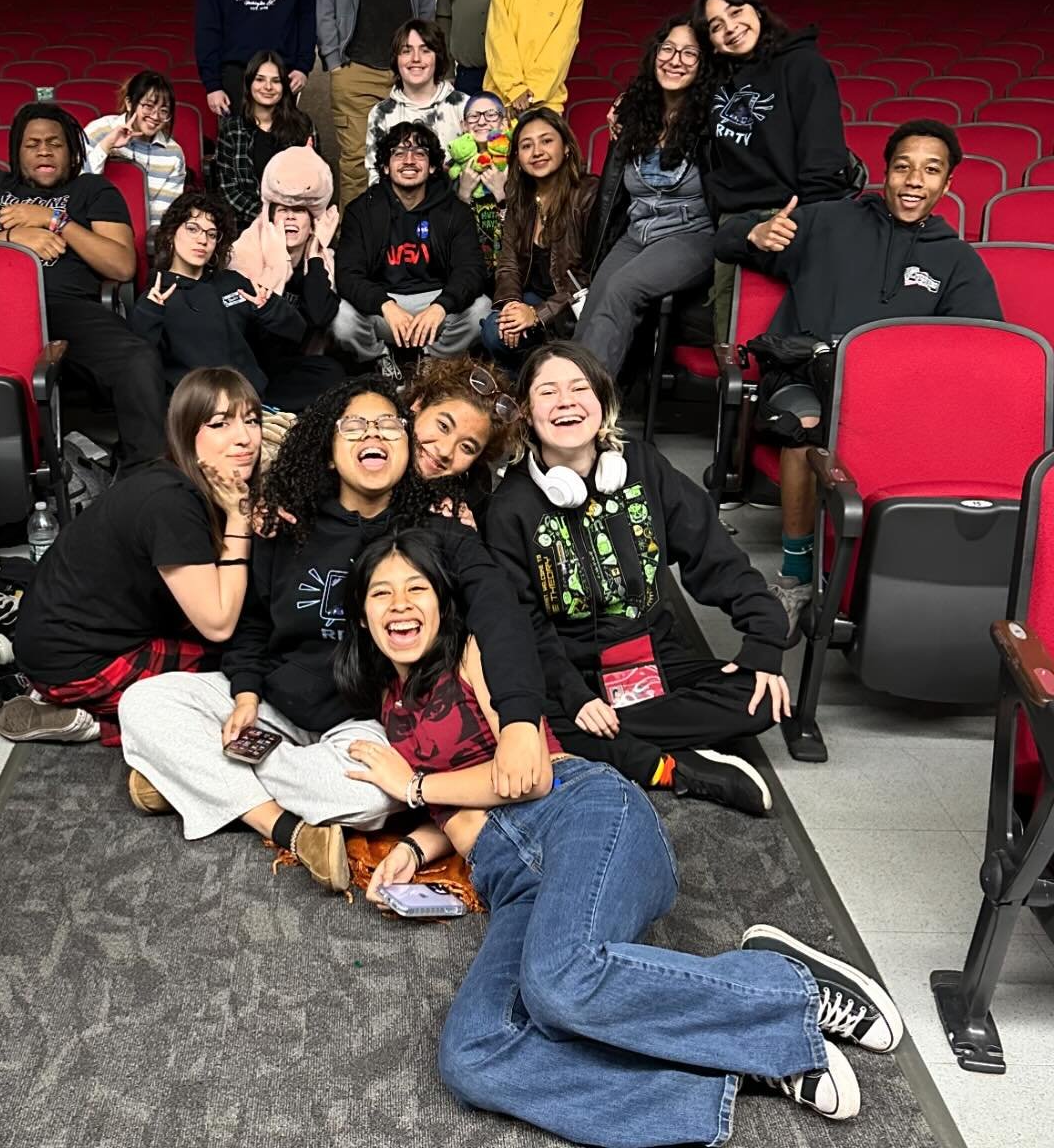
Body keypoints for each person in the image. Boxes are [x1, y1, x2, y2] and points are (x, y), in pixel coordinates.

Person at [334, 529, 905, 1146]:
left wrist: (415, 785)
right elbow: (460, 800)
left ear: (442, 601)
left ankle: (791, 993)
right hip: (511, 880)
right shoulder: (390, 704)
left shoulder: (476, 653)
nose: (400, 603)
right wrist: (417, 846)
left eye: (416, 588)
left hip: (581, 813)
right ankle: (733, 1065)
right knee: (473, 1054)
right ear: (363, 618)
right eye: (381, 592)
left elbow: (524, 778)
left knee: (560, 982)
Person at [121, 378, 551, 891]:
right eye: (356, 426)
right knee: (143, 703)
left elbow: (499, 611)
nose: (375, 433)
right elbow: (253, 622)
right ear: (328, 451)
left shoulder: (438, 533)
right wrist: (245, 694)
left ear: (407, 444)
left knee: (376, 799)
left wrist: (522, 721)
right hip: (272, 704)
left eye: (389, 425)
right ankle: (282, 824)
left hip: (361, 725)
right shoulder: (286, 521)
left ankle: (195, 778)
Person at [714, 119, 1003, 637]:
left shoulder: (958, 261)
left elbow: (979, 350)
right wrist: (753, 231)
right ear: (886, 174)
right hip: (806, 373)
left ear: (948, 184)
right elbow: (728, 237)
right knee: (806, 428)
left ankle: (893, 582)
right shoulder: (827, 223)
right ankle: (797, 576)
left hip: (896, 396)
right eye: (903, 167)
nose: (914, 180)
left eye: (930, 171)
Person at [486, 341, 792, 815]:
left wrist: (764, 635)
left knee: (760, 699)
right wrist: (574, 695)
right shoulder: (510, 507)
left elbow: (715, 555)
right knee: (528, 719)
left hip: (656, 656)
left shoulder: (644, 466)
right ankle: (671, 764)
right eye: (548, 392)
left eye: (579, 388)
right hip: (572, 673)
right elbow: (524, 621)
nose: (565, 401)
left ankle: (605, 742)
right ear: (526, 414)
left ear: (602, 403)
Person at [0, 367, 261, 745]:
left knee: (241, 656)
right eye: (220, 424)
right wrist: (240, 518)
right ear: (187, 433)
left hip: (74, 636)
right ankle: (85, 718)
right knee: (230, 683)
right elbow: (218, 623)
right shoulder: (171, 503)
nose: (244, 439)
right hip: (76, 663)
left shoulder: (186, 477)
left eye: (251, 421)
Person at [0, 101, 166, 467]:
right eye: (32, 144)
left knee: (138, 359)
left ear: (72, 151)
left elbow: (122, 265)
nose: (44, 150)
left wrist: (55, 220)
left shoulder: (93, 190)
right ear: (17, 152)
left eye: (55, 143)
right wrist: (15, 238)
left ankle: (148, 477)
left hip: (65, 308)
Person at [692, 0, 852, 338]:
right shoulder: (713, 82)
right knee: (731, 345)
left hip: (795, 214)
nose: (731, 28)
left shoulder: (803, 66)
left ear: (757, 11)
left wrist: (805, 227)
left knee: (806, 342)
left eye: (736, 13)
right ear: (712, 44)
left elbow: (824, 159)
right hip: (737, 224)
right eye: (717, 26)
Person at [577, 16, 716, 377]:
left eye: (690, 53)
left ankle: (589, 407)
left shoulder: (714, 119)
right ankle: (565, 397)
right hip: (638, 232)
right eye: (668, 49)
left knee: (623, 288)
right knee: (595, 301)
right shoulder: (635, 113)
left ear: (704, 64)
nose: (675, 60)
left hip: (691, 234)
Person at [312, 0, 436, 209]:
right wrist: (334, 62)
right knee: (355, 161)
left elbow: (425, 3)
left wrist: (422, 59)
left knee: (408, 158)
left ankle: (400, 231)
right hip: (355, 70)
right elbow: (322, 6)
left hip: (405, 73)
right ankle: (355, 236)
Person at [331, 121, 490, 370]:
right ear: (385, 166)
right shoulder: (361, 211)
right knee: (341, 317)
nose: (409, 160)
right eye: (398, 153)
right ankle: (381, 359)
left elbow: (471, 271)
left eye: (419, 153)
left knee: (481, 310)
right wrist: (385, 305)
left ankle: (432, 361)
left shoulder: (455, 211)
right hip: (384, 306)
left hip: (436, 304)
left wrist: (441, 305)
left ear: (433, 166)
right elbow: (348, 274)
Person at [129, 190, 307, 406]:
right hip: (199, 405)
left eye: (212, 234)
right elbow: (137, 369)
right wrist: (151, 313)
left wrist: (268, 308)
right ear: (170, 235)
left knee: (326, 371)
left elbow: (297, 332)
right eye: (192, 229)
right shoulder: (157, 295)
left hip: (250, 395)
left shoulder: (232, 282)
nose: (202, 240)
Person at [228, 143, 345, 411]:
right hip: (247, 363)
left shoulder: (322, 260)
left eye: (300, 211)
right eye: (282, 209)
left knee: (334, 374)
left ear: (312, 220)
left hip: (287, 368)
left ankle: (265, 407)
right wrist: (278, 265)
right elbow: (249, 325)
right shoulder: (248, 251)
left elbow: (319, 315)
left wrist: (315, 256)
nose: (291, 216)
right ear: (270, 216)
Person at [482, 108, 596, 367]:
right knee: (495, 329)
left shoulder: (589, 196)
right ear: (518, 158)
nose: (537, 152)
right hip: (533, 299)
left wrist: (538, 314)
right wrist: (512, 307)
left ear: (566, 147)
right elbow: (508, 263)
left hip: (572, 307)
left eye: (547, 141)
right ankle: (520, 395)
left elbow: (593, 275)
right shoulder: (520, 200)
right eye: (526, 145)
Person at [402, 355, 520, 528]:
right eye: (443, 426)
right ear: (419, 404)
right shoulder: (370, 446)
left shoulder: (473, 493)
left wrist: (464, 536)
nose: (445, 451)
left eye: (467, 447)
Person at [211, 50, 317, 230]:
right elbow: (228, 191)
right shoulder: (232, 129)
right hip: (245, 225)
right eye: (260, 79)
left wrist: (286, 216)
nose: (268, 87)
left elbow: (314, 185)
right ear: (249, 83)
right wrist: (268, 216)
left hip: (293, 225)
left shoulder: (302, 125)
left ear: (284, 86)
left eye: (275, 81)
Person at [362, 18, 468, 188]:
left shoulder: (463, 105)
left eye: (425, 50)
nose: (416, 58)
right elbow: (375, 175)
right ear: (396, 59)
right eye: (406, 51)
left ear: (438, 57)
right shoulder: (381, 113)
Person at [83, 70, 186, 235]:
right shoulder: (99, 130)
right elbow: (78, 186)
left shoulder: (173, 153)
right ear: (130, 103)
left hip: (143, 236)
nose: (155, 116)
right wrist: (106, 146)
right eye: (148, 106)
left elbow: (163, 214)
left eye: (164, 111)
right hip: (92, 229)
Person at [445, 91, 511, 280]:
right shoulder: (450, 170)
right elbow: (445, 233)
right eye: (474, 116)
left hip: (510, 269)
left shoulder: (518, 165)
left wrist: (501, 194)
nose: (481, 122)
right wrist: (463, 194)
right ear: (464, 126)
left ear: (504, 123)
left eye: (490, 115)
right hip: (465, 268)